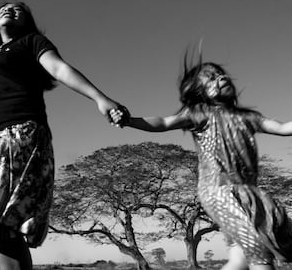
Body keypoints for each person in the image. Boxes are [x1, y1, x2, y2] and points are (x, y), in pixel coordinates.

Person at [0, 0, 124, 270]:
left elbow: (59, 68)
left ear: (26, 22)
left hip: (21, 136)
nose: (9, 9)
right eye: (3, 8)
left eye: (18, 9)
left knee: (2, 227)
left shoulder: (31, 42)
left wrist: (99, 98)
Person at [110, 60, 292, 270]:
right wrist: (130, 120)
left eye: (221, 74)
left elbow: (284, 127)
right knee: (258, 248)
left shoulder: (248, 117)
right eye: (212, 78)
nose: (221, 78)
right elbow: (163, 123)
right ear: (199, 91)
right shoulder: (199, 114)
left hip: (248, 195)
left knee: (239, 259)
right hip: (218, 191)